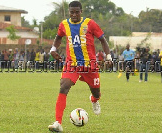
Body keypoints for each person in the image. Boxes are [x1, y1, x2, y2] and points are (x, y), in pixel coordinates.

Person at [48, 1, 112, 132]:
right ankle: (58, 123)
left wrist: (109, 56)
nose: (74, 14)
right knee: (63, 86)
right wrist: (53, 49)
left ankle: (94, 100)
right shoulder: (64, 24)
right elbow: (58, 37)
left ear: (81, 12)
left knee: (97, 92)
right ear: (69, 12)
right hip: (72, 64)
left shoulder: (90, 24)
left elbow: (102, 40)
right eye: (72, 12)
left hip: (90, 65)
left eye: (77, 12)